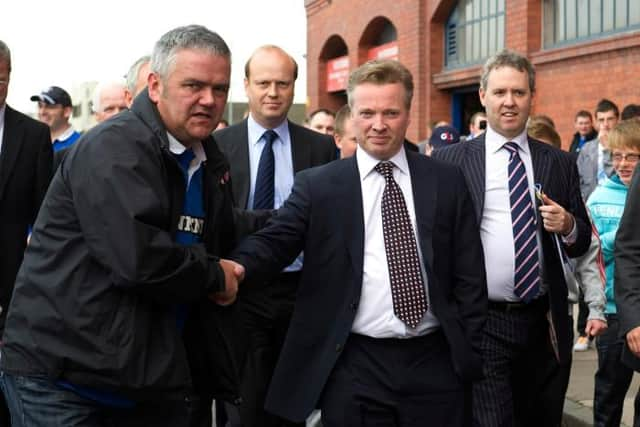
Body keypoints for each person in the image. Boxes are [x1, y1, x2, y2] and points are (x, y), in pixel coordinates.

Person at [0, 25, 262, 427]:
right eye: (193, 85)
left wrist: (304, 213)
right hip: (63, 384)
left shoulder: (203, 156)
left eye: (220, 89)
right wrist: (215, 275)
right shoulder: (115, 148)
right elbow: (138, 257)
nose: (209, 100)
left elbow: (222, 225)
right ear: (154, 86)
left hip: (141, 382)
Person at [228, 58, 487, 426]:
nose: (378, 125)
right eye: (367, 113)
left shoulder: (446, 180)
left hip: (436, 365)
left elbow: (469, 272)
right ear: (351, 115)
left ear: (408, 112)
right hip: (353, 366)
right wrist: (234, 269)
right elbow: (276, 240)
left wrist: (467, 347)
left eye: (390, 113)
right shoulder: (320, 186)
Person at [433, 49, 591, 426]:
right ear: (483, 95)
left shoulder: (558, 162)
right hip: (482, 320)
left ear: (532, 98)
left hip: (544, 321)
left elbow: (583, 240)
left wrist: (568, 224)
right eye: (500, 92)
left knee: (540, 417)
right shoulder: (450, 161)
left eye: (519, 93)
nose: (509, 102)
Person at [214, 45, 336, 427]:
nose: (273, 92)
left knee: (294, 406)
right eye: (263, 83)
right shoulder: (217, 146)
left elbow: (329, 222)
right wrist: (279, 221)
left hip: (301, 291)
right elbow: (217, 219)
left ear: (294, 87)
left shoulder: (320, 147)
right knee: (246, 408)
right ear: (246, 86)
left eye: (282, 83)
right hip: (241, 289)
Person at [0, 39, 52, 427]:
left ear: (9, 77)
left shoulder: (33, 136)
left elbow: (45, 218)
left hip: (14, 284)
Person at [586, 120, 640, 427]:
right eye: (616, 156)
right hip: (613, 311)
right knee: (610, 393)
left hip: (639, 309)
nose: (622, 164)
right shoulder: (599, 197)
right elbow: (588, 257)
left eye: (631, 157)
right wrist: (621, 236)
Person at [577, 99, 619, 200]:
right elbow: (579, 179)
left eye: (610, 119)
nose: (605, 124)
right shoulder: (587, 148)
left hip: (615, 201)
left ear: (617, 120)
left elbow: (617, 177)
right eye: (601, 120)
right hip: (591, 203)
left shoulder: (623, 146)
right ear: (595, 122)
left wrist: (607, 149)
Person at [31, 85, 81, 151]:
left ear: (67, 111)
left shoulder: (80, 144)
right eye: (40, 106)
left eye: (49, 106)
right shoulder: (33, 142)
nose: (42, 112)